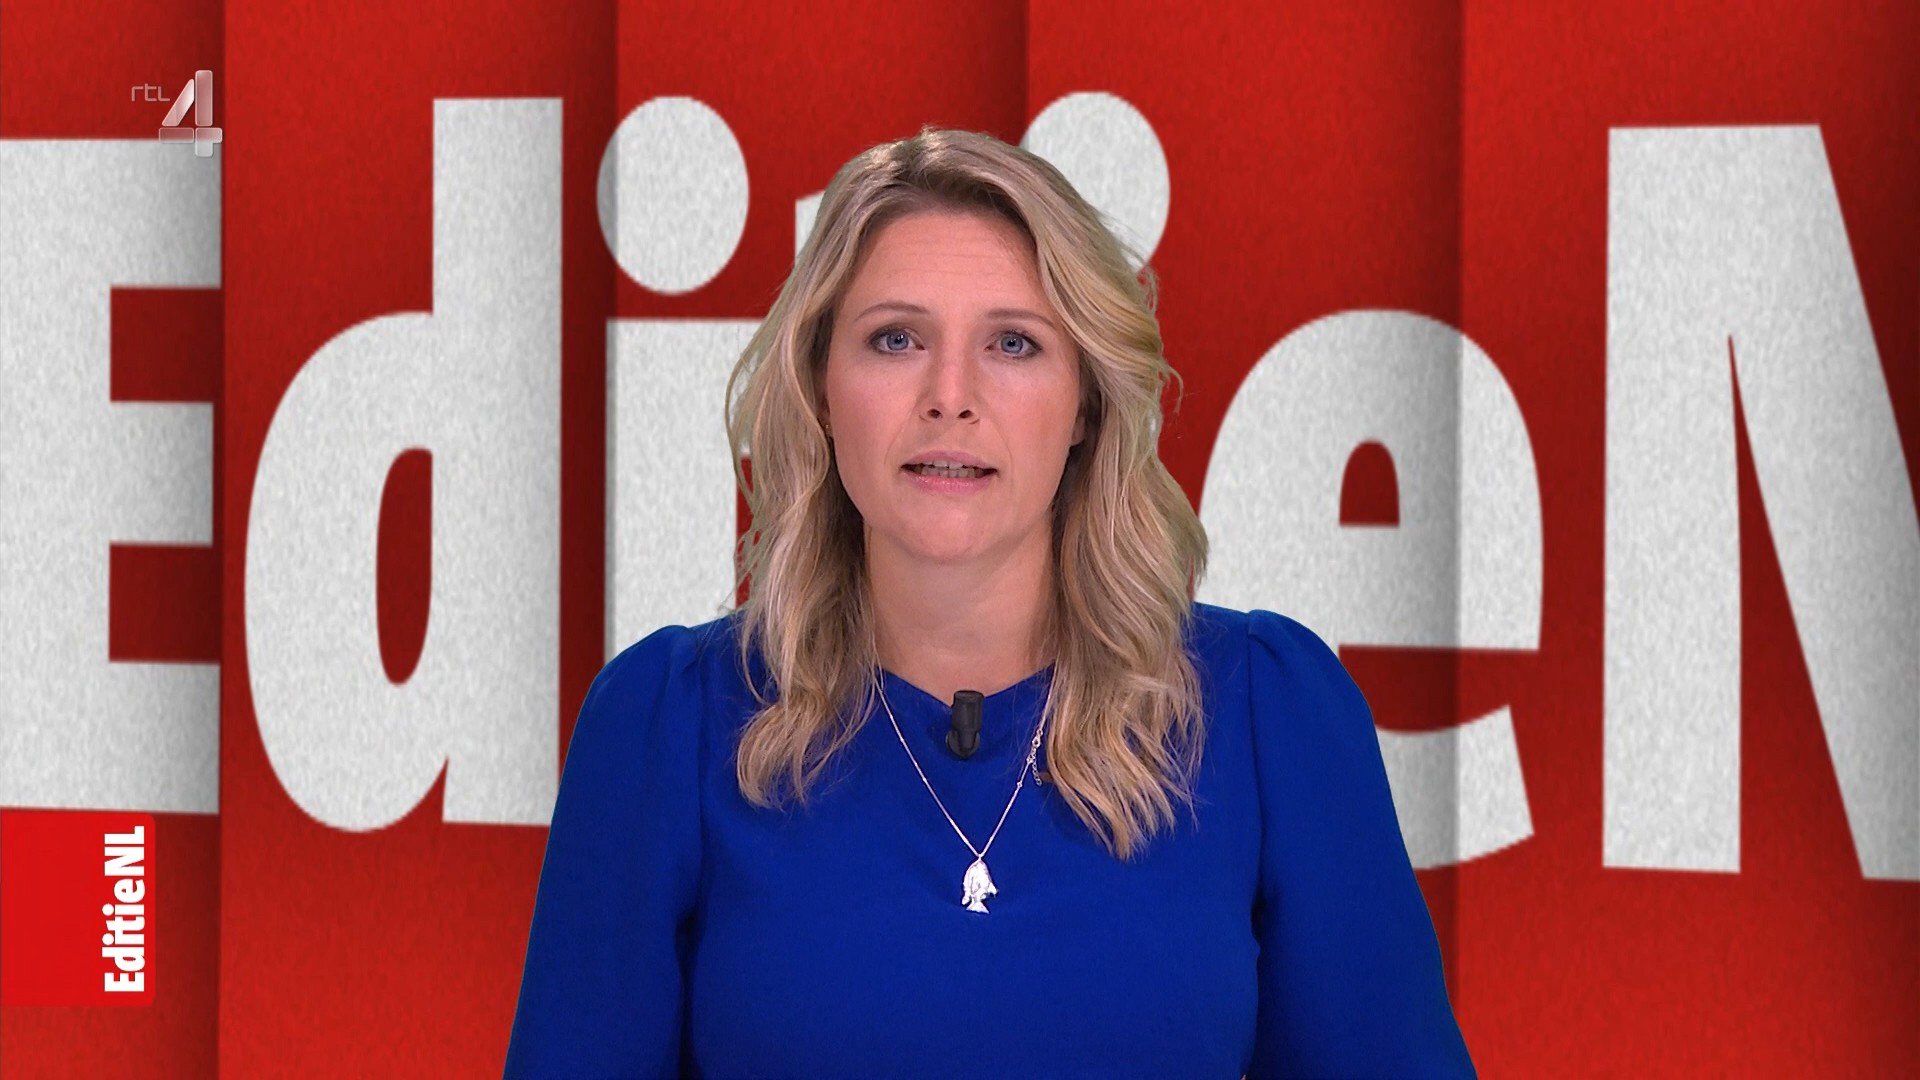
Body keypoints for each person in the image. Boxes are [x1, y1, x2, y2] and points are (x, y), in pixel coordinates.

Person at [503, 125, 1474, 1079]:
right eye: (895, 339)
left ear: (1086, 401)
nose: (950, 395)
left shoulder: (1268, 713)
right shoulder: (667, 723)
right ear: (820, 389)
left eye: (1013, 343)